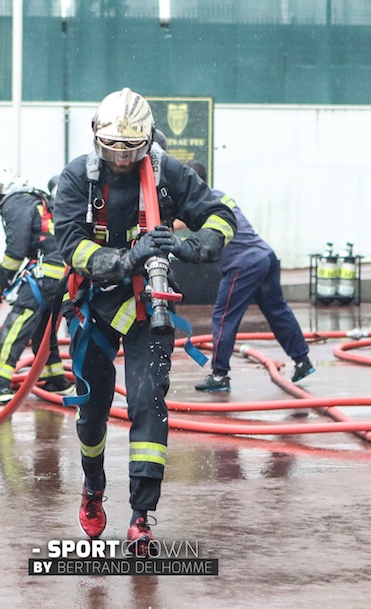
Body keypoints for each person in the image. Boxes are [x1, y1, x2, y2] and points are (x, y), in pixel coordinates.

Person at [53, 88, 236, 553]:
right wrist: (128, 257)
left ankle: (141, 516)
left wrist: (192, 247)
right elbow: (72, 247)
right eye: (111, 148)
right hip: (93, 307)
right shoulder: (78, 178)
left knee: (147, 404)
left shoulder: (168, 175)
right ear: (97, 139)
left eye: (130, 150)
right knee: (91, 414)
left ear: (147, 141)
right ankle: (93, 487)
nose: (119, 159)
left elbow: (220, 216)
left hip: (146, 307)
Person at [187, 162, 315, 392]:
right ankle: (303, 360)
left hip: (243, 264)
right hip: (265, 256)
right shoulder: (219, 195)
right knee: (278, 311)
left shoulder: (199, 202)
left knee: (224, 317)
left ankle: (219, 376)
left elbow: (174, 223)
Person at [0, 162, 73, 405]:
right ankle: (56, 379)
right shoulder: (33, 198)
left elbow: (15, 250)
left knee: (16, 324)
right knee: (42, 331)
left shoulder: (15, 203)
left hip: (45, 275)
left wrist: (0, 283)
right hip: (60, 275)